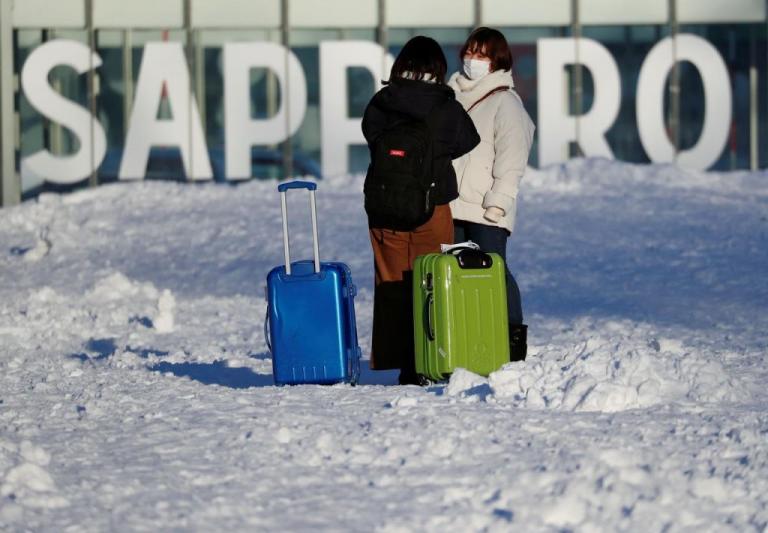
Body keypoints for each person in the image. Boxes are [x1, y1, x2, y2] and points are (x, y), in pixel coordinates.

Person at [362, 36, 480, 385]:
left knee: (392, 284)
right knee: (431, 284)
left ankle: (400, 361)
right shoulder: (445, 106)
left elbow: (370, 135)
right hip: (433, 206)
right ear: (438, 70)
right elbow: (467, 140)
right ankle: (429, 357)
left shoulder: (383, 101)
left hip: (383, 209)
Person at [448, 27, 535, 361]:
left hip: (486, 210)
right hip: (452, 204)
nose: (473, 60)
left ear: (497, 60)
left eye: (482, 54)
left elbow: (512, 159)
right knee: (457, 274)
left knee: (494, 271)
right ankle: (468, 336)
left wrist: (498, 204)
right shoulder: (452, 96)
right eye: (470, 52)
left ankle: (512, 339)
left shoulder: (506, 102)